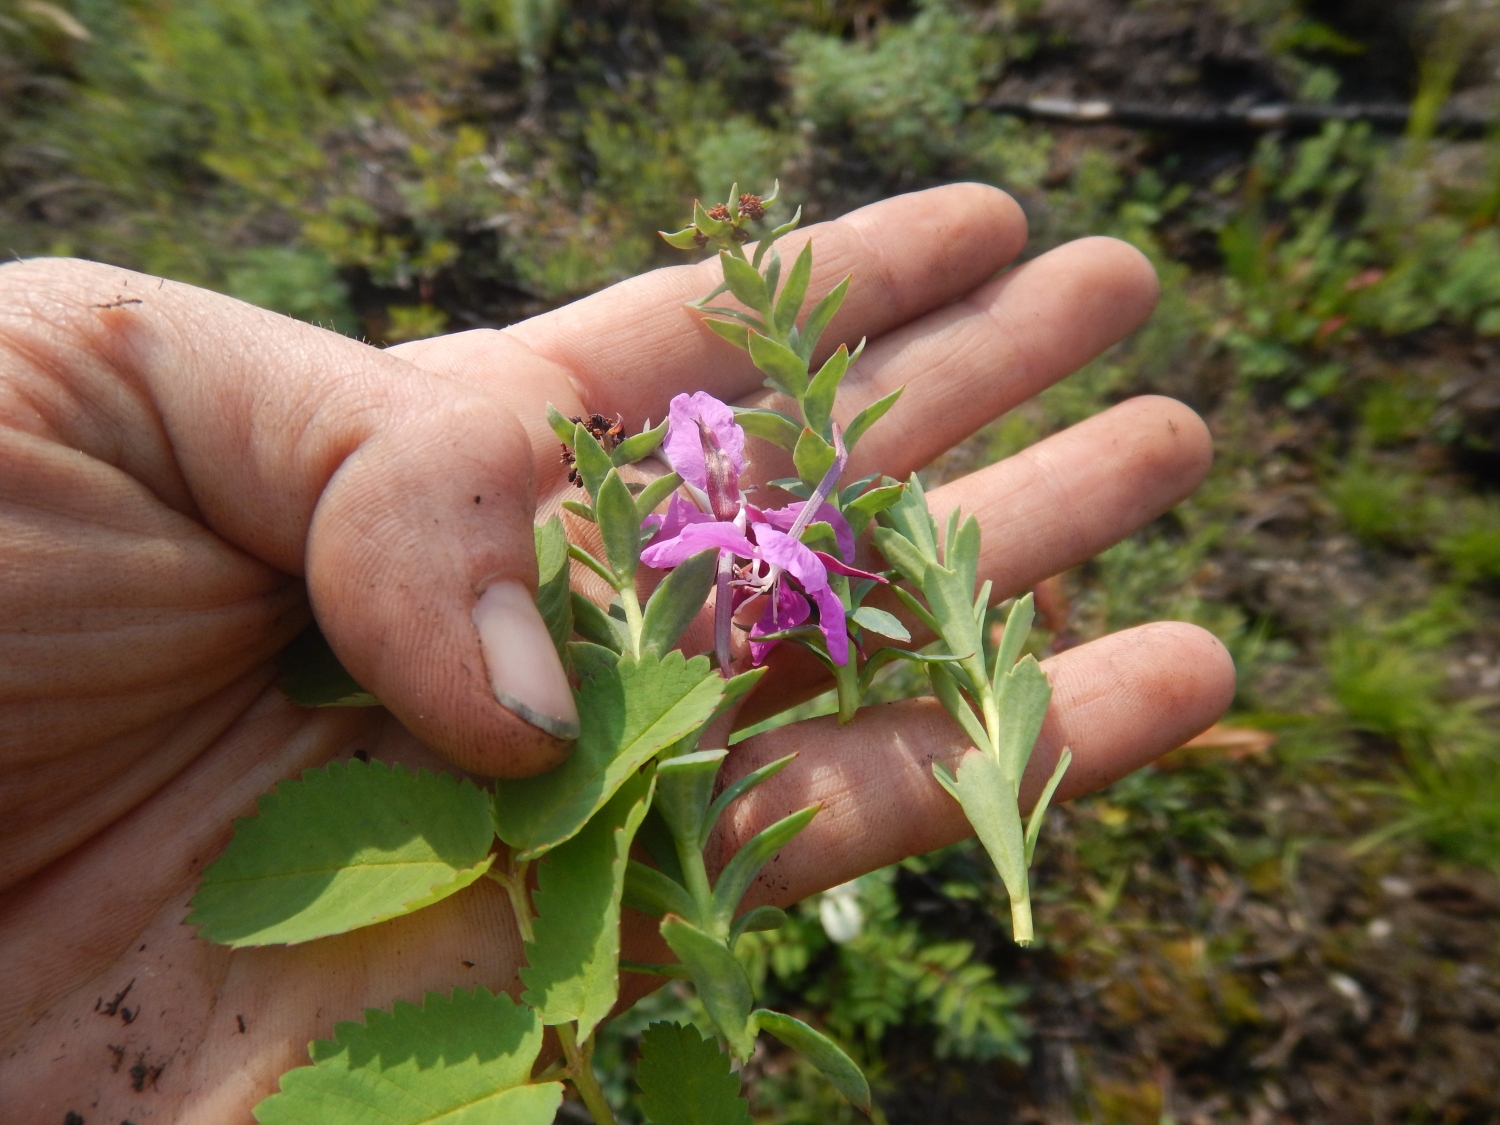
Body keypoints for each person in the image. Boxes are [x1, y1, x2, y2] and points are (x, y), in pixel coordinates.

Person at [0, 184, 1234, 1122]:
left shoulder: (749, 538)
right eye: (730, 547)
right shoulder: (682, 539)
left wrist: (783, 559)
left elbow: (757, 562)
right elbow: (666, 562)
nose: (747, 577)